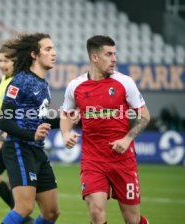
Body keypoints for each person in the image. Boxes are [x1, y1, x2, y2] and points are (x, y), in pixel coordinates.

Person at [60, 35, 150, 224]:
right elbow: (66, 115)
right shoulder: (75, 86)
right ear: (95, 57)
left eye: (114, 54)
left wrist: (127, 139)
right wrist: (66, 133)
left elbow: (144, 116)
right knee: (96, 211)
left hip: (122, 160)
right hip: (93, 159)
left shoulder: (125, 83)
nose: (114, 59)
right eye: (108, 54)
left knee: (132, 219)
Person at [0, 32, 60, 224]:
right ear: (34, 54)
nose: (54, 53)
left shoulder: (44, 84)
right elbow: (4, 121)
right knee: (24, 207)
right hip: (19, 149)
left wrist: (69, 120)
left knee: (51, 212)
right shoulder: (20, 81)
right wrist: (31, 134)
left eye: (53, 48)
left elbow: (41, 121)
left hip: (37, 150)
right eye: (48, 49)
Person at [0, 42, 33, 224]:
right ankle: (23, 217)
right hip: (8, 137)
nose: (3, 65)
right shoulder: (5, 81)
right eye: (0, 61)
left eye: (7, 61)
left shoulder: (15, 83)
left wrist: (0, 139)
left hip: (14, 139)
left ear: (16, 61)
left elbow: (14, 116)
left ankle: (22, 217)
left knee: (13, 184)